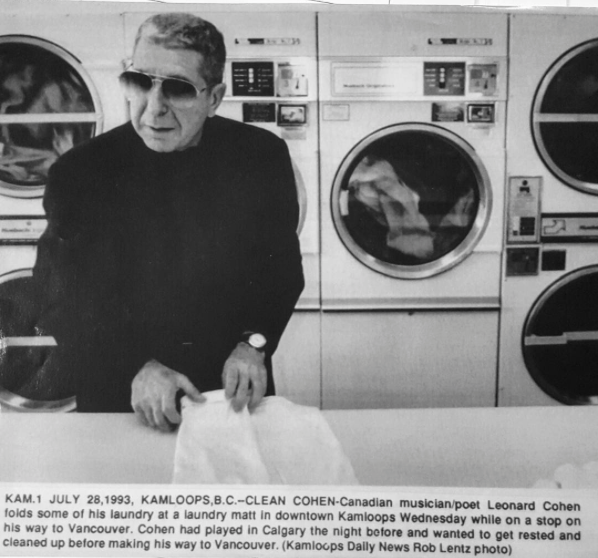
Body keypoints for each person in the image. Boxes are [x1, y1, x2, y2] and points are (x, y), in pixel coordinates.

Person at [32, 12, 304, 430]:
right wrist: (134, 367)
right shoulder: (80, 172)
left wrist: (253, 345)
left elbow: (280, 275)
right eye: (140, 82)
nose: (154, 108)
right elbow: (58, 295)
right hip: (121, 394)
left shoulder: (260, 157)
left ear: (215, 98)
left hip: (228, 391)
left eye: (178, 89)